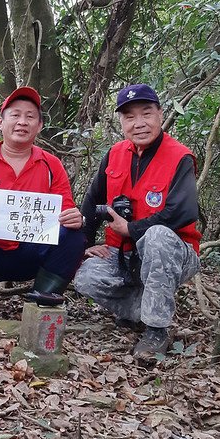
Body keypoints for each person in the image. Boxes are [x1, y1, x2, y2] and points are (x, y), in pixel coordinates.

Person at [74, 83, 201, 359]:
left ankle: (156, 330)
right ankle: (137, 310)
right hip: (124, 255)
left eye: (146, 114)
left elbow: (184, 212)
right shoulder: (114, 154)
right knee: (85, 276)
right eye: (130, 117)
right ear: (121, 122)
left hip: (175, 253)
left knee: (156, 236)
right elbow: (92, 202)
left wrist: (131, 228)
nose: (139, 123)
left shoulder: (180, 157)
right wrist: (81, 244)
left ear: (160, 114)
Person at [0, 86, 86, 317]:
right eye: (15, 115)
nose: (22, 122)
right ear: (1, 123)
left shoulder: (51, 165)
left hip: (32, 249)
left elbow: (64, 208)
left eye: (30, 116)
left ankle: (41, 301)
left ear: (39, 126)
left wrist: (75, 217)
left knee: (74, 237)